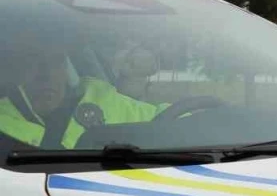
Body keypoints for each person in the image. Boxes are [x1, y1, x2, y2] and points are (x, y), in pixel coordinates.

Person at [0, 29, 166, 154]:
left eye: (57, 62)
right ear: (10, 70)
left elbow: (166, 118)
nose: (47, 74)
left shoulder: (99, 97)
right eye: (33, 62)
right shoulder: (4, 119)